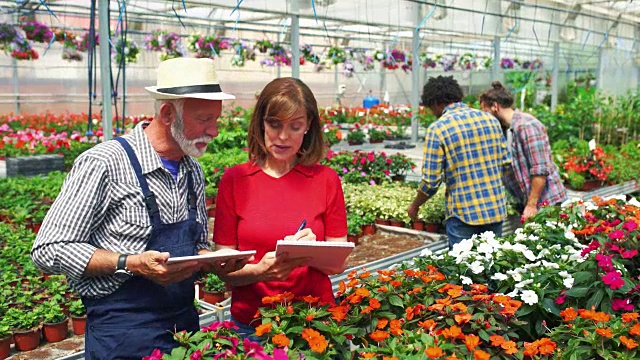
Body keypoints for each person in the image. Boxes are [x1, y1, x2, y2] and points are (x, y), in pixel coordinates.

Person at [31, 57, 248, 359]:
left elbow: (194, 246)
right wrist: (128, 262)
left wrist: (212, 260)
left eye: (216, 119)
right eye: (204, 119)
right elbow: (48, 249)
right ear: (167, 113)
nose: (214, 131)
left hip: (184, 329)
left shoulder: (192, 171)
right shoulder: (105, 163)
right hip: (121, 335)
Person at [213, 77, 348, 339]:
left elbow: (338, 264)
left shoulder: (326, 180)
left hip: (313, 323)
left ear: (308, 126)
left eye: (295, 127)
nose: (283, 136)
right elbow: (225, 271)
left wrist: (314, 250)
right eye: (274, 125)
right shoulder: (235, 180)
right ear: (260, 123)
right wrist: (261, 271)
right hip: (252, 325)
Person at [407, 75, 510, 249]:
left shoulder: (439, 129)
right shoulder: (491, 120)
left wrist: (415, 205)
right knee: (491, 268)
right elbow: (506, 164)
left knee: (463, 271)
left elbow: (431, 182)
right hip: (495, 210)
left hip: (464, 215)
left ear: (436, 103)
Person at [479, 81, 567, 220]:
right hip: (530, 202)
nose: (484, 117)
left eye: (485, 111)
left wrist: (531, 205)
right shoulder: (507, 129)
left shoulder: (526, 126)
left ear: (495, 106)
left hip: (547, 204)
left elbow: (540, 170)